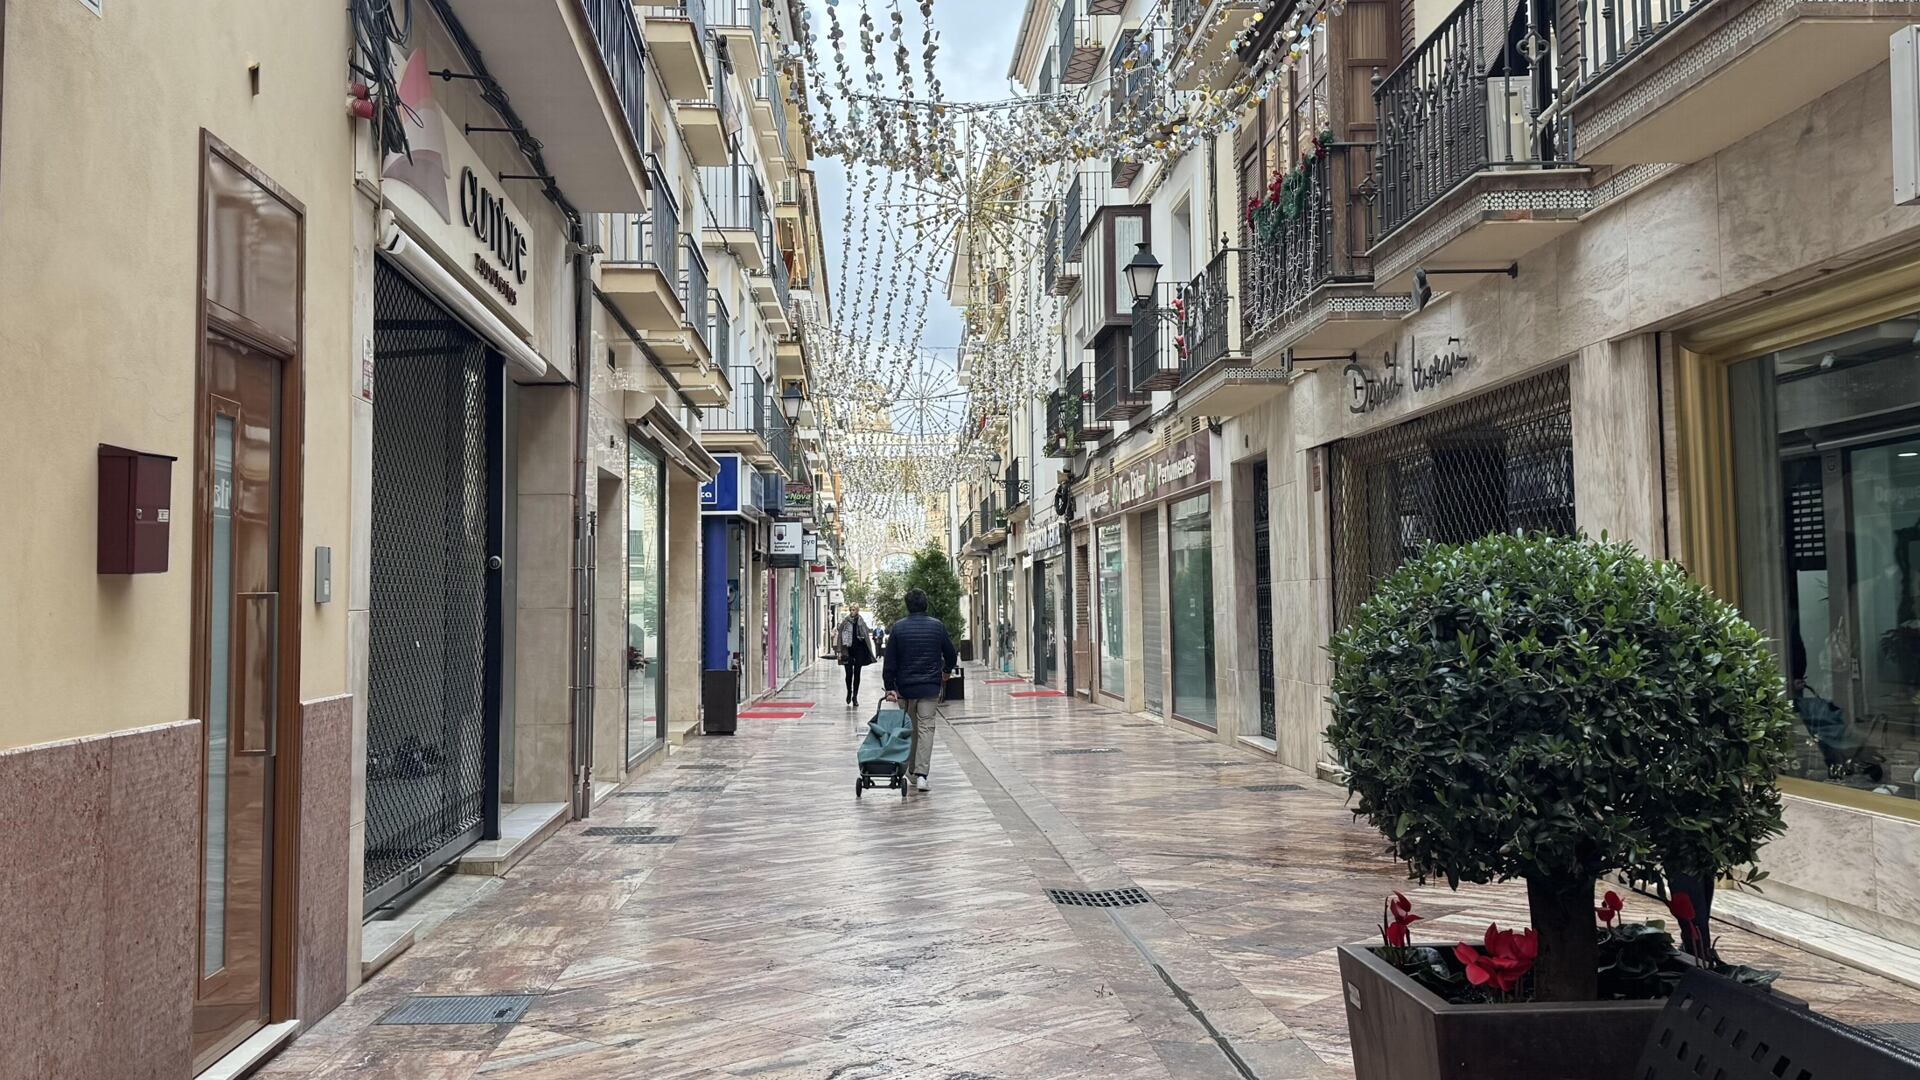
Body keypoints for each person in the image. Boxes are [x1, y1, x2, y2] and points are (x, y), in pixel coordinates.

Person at [882, 588, 958, 792]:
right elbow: (951, 653)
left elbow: (890, 661)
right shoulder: (937, 627)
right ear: (926, 604)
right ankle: (921, 774)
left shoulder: (898, 628)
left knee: (910, 730)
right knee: (926, 729)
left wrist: (890, 687)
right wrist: (947, 671)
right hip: (929, 687)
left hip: (905, 689)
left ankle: (912, 771)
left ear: (907, 606)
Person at [836, 604, 875, 706]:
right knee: (848, 674)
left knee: (857, 674)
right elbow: (840, 636)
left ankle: (855, 697)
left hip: (859, 651)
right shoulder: (845, 621)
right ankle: (849, 692)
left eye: (854, 610)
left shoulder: (861, 621)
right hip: (847, 651)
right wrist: (839, 651)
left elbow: (866, 634)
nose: (852, 611)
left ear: (857, 610)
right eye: (851, 609)